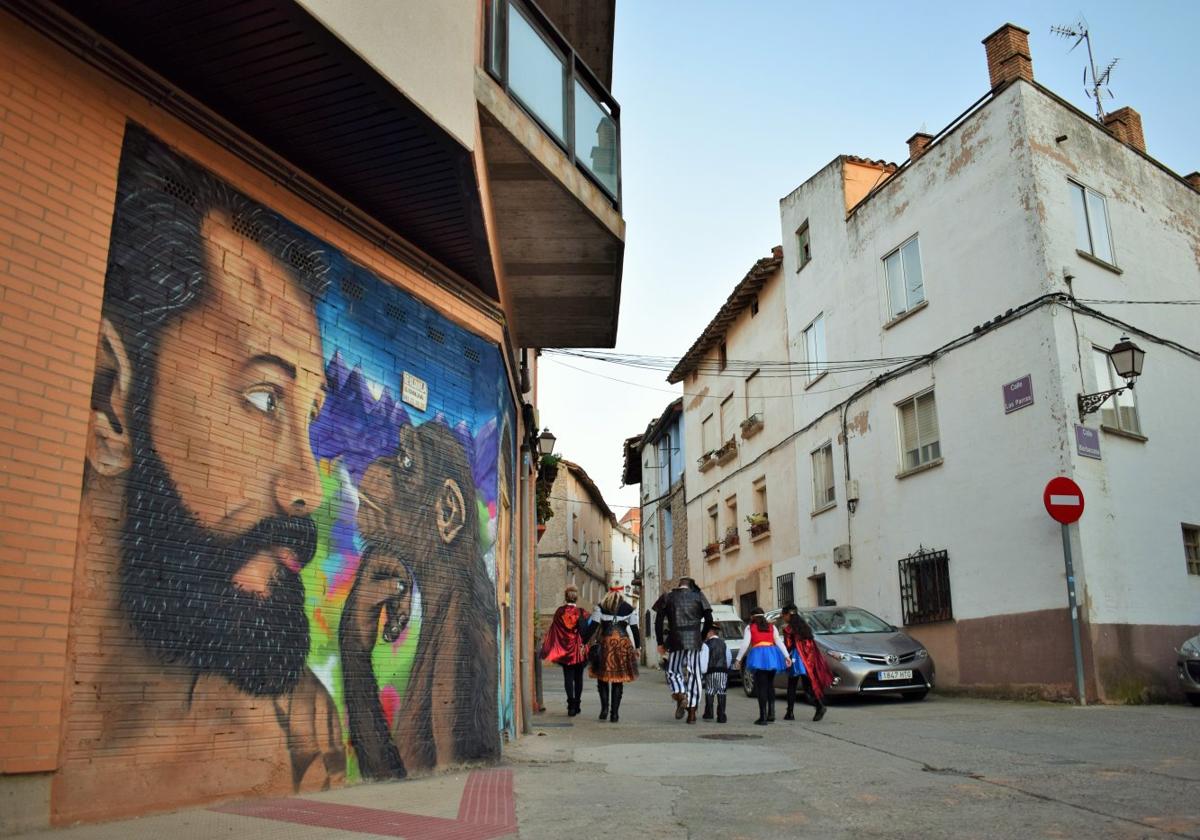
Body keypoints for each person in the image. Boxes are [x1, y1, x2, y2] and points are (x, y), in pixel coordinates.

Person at [64, 126, 346, 813]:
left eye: (308, 415)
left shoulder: (301, 732)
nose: (306, 488)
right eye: (260, 398)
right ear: (112, 401)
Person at [654, 577, 713, 724]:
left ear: (679, 585)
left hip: (675, 639)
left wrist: (660, 642)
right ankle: (692, 712)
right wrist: (702, 635)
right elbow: (709, 619)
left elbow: (658, 621)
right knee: (695, 673)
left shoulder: (668, 596)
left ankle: (680, 694)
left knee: (672, 670)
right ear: (691, 586)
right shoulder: (699, 596)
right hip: (694, 639)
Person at [588, 589, 641, 723]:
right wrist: (638, 647)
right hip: (623, 644)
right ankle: (615, 714)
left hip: (605, 643)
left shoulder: (600, 607)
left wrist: (583, 642)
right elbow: (635, 628)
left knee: (602, 677)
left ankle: (604, 709)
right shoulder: (629, 608)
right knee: (619, 679)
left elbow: (593, 626)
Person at [734, 606, 791, 725]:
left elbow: (745, 644)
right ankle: (771, 714)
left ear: (752, 617)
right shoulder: (772, 627)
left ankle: (763, 717)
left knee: (761, 687)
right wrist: (787, 656)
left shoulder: (750, 627)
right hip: (772, 655)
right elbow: (778, 642)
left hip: (758, 656)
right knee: (770, 685)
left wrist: (738, 659)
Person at [540, 585, 591, 716]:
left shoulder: (559, 612)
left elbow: (554, 629)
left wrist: (551, 646)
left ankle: (570, 706)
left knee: (568, 677)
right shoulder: (582, 612)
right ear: (576, 598)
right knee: (578, 678)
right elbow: (587, 629)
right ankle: (577, 704)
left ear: (565, 597)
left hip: (565, 650)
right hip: (579, 650)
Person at [785, 614, 833, 721]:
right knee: (808, 686)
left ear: (788, 615)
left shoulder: (789, 629)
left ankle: (790, 712)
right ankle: (819, 705)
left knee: (792, 685)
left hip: (796, 659)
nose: (783, 617)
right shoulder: (805, 628)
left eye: (784, 615)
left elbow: (788, 645)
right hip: (807, 660)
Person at [699, 624, 731, 723]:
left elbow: (704, 659)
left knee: (710, 691)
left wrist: (702, 671)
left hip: (711, 671)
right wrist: (726, 667)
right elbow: (728, 658)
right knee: (722, 691)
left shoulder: (706, 644)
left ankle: (709, 713)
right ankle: (721, 716)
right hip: (722, 671)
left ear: (710, 632)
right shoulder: (724, 643)